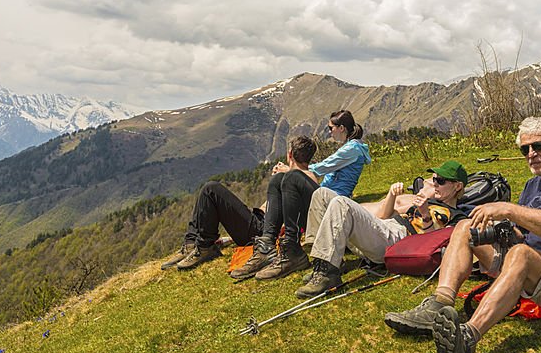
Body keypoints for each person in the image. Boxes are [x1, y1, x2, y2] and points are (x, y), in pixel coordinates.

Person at [384, 117, 541, 353]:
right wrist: (499, 232)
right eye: (525, 150)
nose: (531, 154)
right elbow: (522, 234)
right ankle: (439, 304)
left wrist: (509, 210)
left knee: (521, 254)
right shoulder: (532, 185)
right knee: (465, 226)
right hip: (532, 269)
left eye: (538, 147)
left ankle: (467, 337)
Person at [293, 161, 470, 297]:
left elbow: (434, 245)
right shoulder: (429, 201)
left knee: (341, 203)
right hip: (386, 228)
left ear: (457, 186)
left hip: (399, 240)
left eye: (440, 181)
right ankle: (323, 264)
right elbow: (384, 216)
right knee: (322, 194)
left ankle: (327, 273)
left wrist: (425, 215)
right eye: (434, 180)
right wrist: (393, 196)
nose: (435, 184)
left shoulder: (456, 217)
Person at [234, 109, 372, 280]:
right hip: (325, 197)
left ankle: (292, 250)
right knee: (278, 181)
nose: (329, 131)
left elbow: (323, 167)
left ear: (341, 128)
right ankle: (267, 245)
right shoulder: (348, 148)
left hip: (334, 201)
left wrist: (292, 169)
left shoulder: (353, 149)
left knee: (291, 176)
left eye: (330, 128)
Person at [160, 134, 318, 272]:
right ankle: (191, 243)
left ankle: (205, 247)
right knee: (208, 193)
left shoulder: (305, 176)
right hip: (258, 221)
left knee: (211, 189)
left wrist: (288, 172)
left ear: (289, 154)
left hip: (261, 230)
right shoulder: (293, 178)